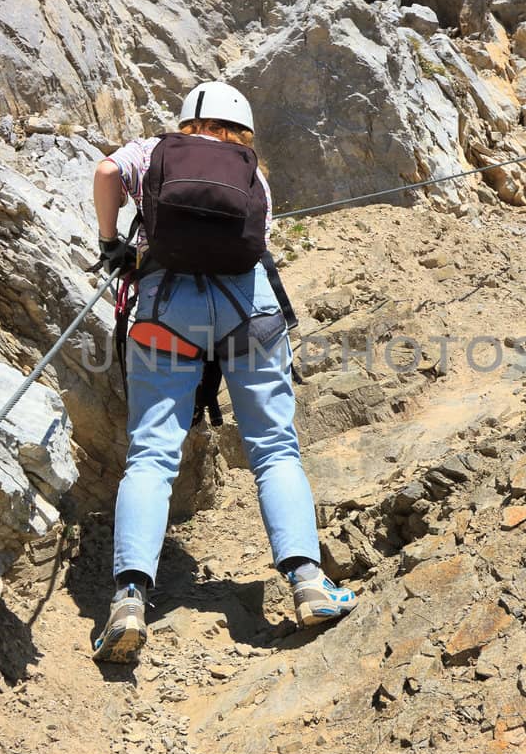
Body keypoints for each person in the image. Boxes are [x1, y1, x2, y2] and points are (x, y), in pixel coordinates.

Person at [90, 81, 358, 662]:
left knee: (152, 454)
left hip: (164, 310)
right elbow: (256, 240)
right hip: (250, 313)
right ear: (244, 130)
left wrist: (111, 242)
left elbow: (107, 171)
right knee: (275, 449)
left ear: (186, 122)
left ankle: (130, 600)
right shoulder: (251, 173)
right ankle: (309, 582)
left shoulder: (153, 151)